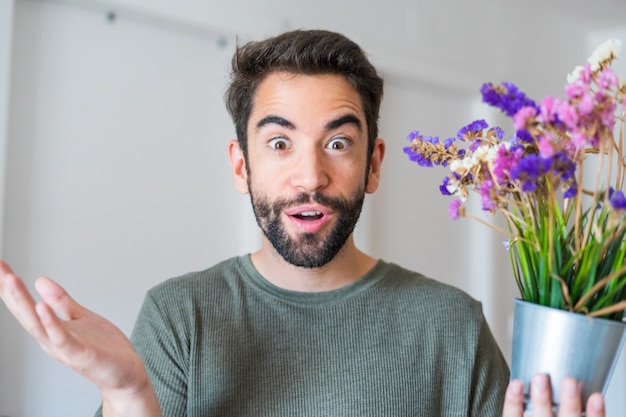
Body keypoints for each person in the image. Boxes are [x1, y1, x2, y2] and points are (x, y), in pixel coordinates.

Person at [0, 29, 606, 417]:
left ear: (373, 165)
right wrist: (129, 393)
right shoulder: (179, 314)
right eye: (280, 143)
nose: (310, 176)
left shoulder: (450, 324)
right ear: (241, 166)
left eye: (338, 143)